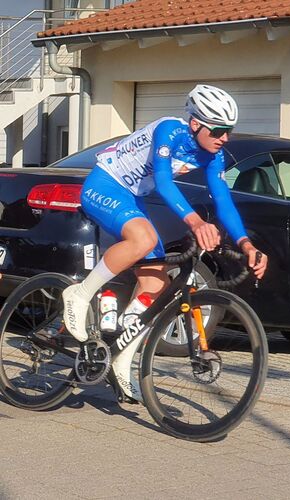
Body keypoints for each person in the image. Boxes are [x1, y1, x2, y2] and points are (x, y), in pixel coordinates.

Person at [62, 84, 268, 398]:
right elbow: (163, 181)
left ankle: (122, 356)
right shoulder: (170, 131)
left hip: (133, 199)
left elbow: (224, 201)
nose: (224, 138)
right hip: (105, 184)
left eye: (229, 131)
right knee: (143, 239)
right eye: (219, 131)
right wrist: (196, 222)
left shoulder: (214, 157)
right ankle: (79, 293)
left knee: (155, 286)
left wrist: (247, 245)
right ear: (196, 124)